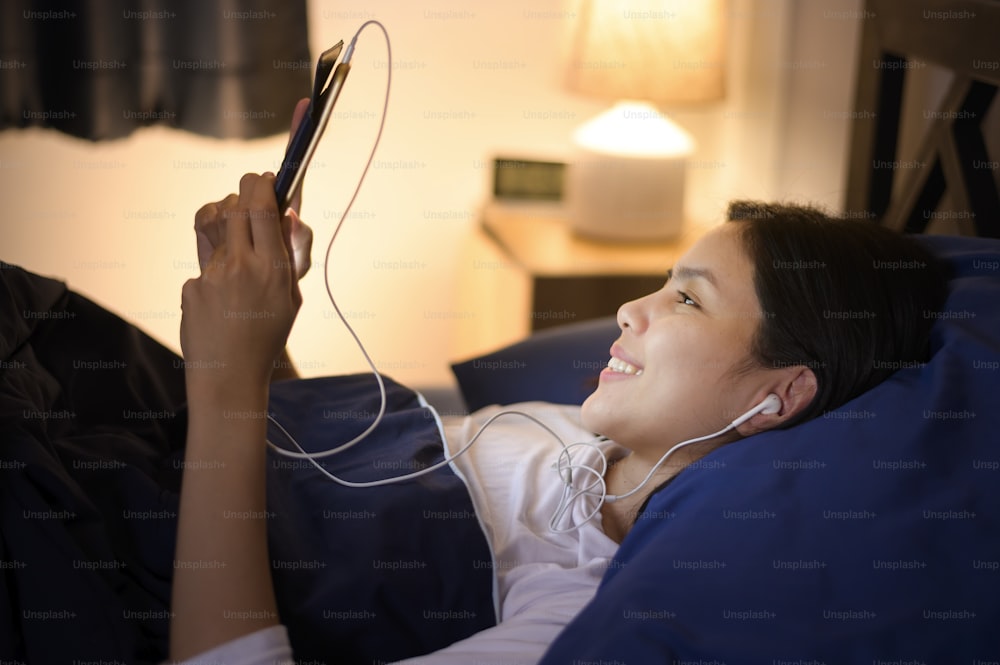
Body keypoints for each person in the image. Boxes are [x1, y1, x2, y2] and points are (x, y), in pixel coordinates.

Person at [168, 109, 949, 665]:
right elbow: (312, 481)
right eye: (661, 283)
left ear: (776, 397)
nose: (628, 309)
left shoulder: (585, 600)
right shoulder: (568, 429)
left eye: (686, 298)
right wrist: (260, 334)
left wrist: (226, 382)